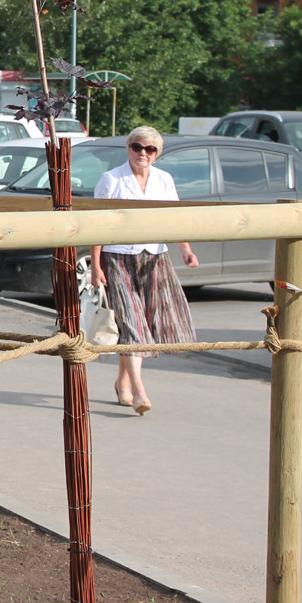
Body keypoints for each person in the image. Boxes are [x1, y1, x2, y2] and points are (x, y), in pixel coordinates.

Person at [90, 126, 199, 416]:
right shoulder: (111, 179)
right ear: (128, 148)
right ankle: (139, 390)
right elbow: (97, 223)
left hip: (154, 258)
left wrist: (186, 250)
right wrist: (96, 265)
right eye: (137, 147)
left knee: (144, 324)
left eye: (149, 149)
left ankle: (122, 383)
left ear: (157, 154)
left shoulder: (164, 180)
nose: (142, 153)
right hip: (118, 258)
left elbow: (173, 219)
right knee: (132, 324)